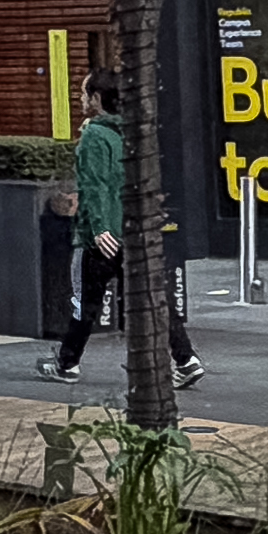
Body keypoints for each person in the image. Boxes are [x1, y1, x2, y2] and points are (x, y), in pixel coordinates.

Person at [47, 72, 204, 388]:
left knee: (85, 301)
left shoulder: (94, 136)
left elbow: (95, 186)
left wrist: (99, 227)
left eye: (83, 93)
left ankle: (67, 364)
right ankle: (186, 360)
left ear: (97, 99)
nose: (80, 98)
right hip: (138, 233)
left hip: (103, 238)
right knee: (155, 298)